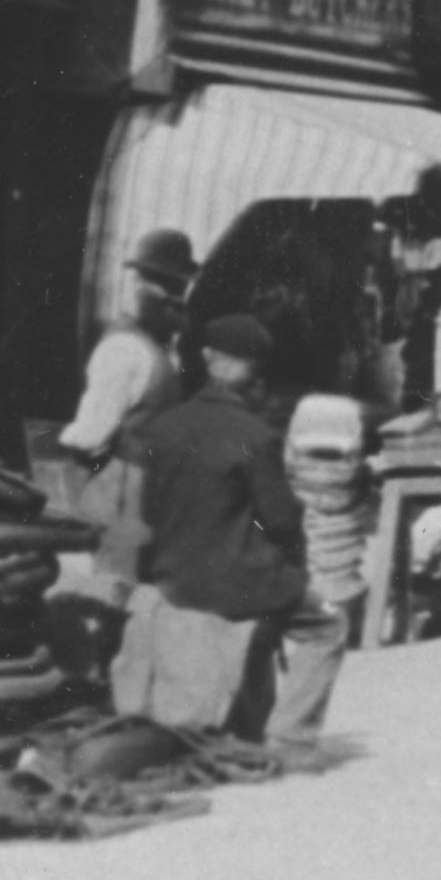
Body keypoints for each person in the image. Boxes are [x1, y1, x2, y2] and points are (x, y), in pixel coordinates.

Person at [115, 314, 346, 755]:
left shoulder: (163, 429)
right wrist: (294, 567)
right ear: (257, 370)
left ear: (207, 358)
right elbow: (280, 521)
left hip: (173, 579)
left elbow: (148, 510)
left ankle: (250, 724)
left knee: (270, 601)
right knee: (330, 625)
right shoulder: (255, 435)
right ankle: (290, 740)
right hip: (237, 584)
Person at [53, 228, 198, 597]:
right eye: (172, 291)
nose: (176, 304)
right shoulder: (142, 351)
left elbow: (89, 436)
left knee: (122, 591)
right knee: (128, 589)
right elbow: (95, 434)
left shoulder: (135, 349)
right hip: (142, 490)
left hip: (132, 491)